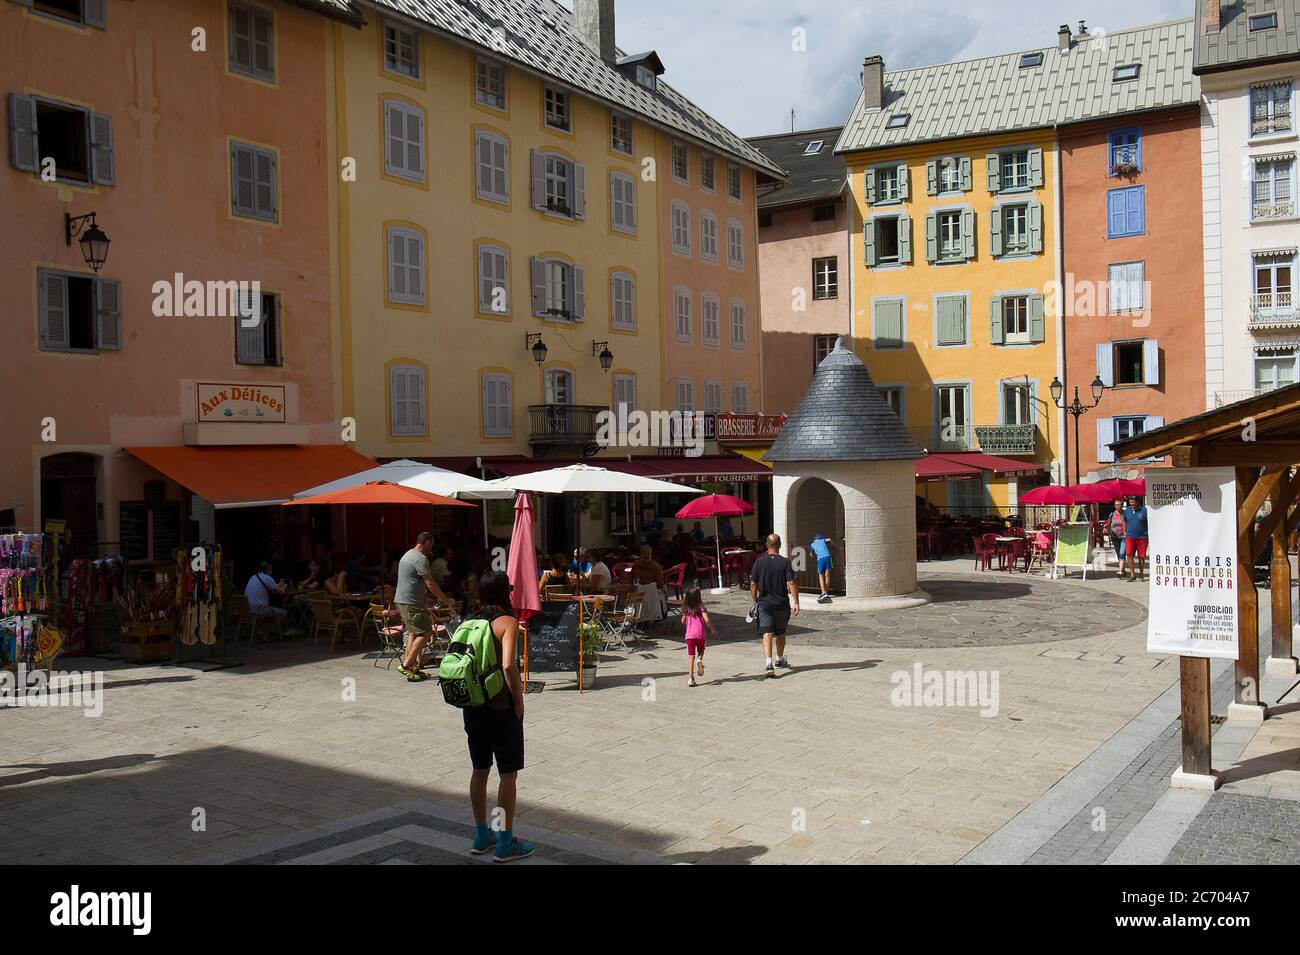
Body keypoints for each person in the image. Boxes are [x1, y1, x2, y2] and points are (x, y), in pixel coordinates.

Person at [463, 570, 532, 863]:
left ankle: (481, 835)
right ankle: (505, 842)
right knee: (508, 775)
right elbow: (508, 666)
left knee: (480, 771)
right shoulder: (508, 623)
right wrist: (518, 701)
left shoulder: (469, 622)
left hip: (472, 706)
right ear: (505, 593)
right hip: (500, 709)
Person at [394, 531, 451, 682]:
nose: (432, 547)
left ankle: (412, 668)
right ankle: (407, 665)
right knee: (426, 632)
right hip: (411, 602)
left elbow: (412, 581)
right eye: (431, 544)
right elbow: (430, 583)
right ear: (427, 542)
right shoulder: (420, 558)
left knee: (414, 633)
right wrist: (445, 599)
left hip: (403, 600)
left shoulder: (408, 554)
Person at [749, 533, 799, 678]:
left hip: (764, 603)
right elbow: (792, 583)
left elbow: (753, 583)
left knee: (767, 633)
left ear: (766, 545)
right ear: (780, 545)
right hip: (782, 603)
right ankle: (779, 658)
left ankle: (769, 663)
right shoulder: (785, 562)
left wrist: (755, 600)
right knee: (781, 632)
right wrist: (796, 602)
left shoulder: (759, 562)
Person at [681, 586, 716, 687]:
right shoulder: (701, 608)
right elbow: (707, 620)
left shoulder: (686, 609)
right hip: (700, 634)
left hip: (689, 636)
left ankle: (691, 678)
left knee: (691, 656)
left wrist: (686, 617)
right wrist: (712, 629)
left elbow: (682, 621)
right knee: (701, 651)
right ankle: (700, 659)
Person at [244, 562, 290, 640]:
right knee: (283, 613)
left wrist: (277, 586)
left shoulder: (253, 577)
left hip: (247, 610)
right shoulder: (267, 578)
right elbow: (281, 592)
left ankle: (260, 630)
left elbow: (272, 587)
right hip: (259, 610)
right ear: (269, 570)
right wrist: (285, 586)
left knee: (271, 611)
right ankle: (265, 632)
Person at [1123, 496, 1149, 582]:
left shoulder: (1145, 510)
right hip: (1130, 536)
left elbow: (1150, 522)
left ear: (1138, 501)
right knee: (1129, 554)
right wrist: (1125, 532)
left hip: (1142, 537)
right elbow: (1124, 520)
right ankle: (1132, 574)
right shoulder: (1127, 510)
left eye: (1133, 502)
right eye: (1130, 502)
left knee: (1141, 556)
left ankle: (1141, 575)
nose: (1131, 504)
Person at [811, 533, 834, 603]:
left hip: (820, 559)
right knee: (827, 575)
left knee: (820, 575)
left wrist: (814, 553)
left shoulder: (812, 544)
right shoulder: (823, 540)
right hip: (827, 557)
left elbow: (811, 554)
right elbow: (829, 539)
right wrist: (832, 545)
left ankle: (823, 592)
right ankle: (826, 592)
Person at [1108, 500, 1127, 570]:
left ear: (1122, 505)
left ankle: (1120, 571)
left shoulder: (1125, 513)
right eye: (1116, 505)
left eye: (1119, 505)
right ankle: (1122, 569)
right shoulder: (1112, 514)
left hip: (1124, 537)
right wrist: (1110, 532)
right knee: (1118, 553)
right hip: (1114, 537)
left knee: (1122, 553)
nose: (1117, 506)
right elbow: (1108, 524)